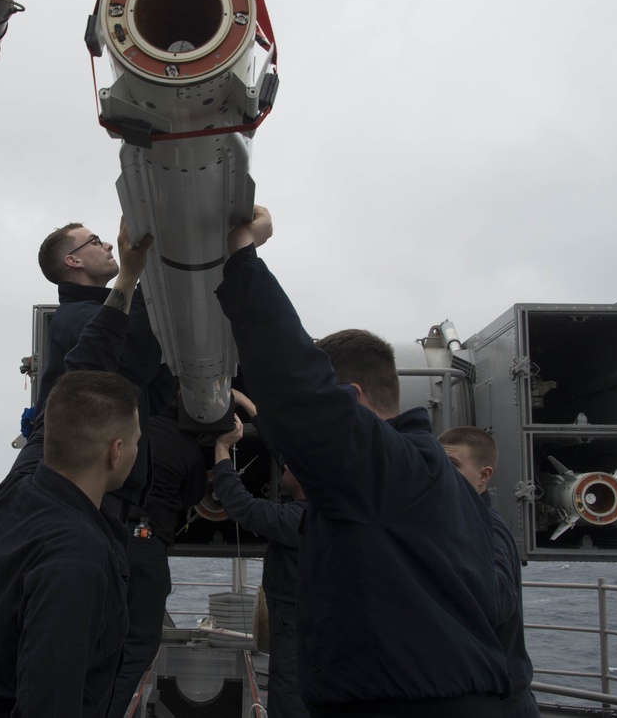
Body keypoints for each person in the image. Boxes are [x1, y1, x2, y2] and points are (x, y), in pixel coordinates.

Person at [214, 206, 510, 717]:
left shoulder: (389, 474)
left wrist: (242, 254)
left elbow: (296, 387)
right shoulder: (433, 481)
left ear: (349, 401)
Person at [0, 226, 153, 717]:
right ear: (114, 452)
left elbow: (82, 370)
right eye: (136, 442)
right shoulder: (76, 558)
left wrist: (128, 277)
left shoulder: (18, 490)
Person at [33, 218, 173, 519]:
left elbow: (154, 396)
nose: (109, 244)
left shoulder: (93, 314)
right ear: (73, 260)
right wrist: (149, 274)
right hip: (89, 496)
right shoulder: (74, 318)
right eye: (95, 241)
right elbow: (129, 359)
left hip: (111, 496)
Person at [106, 398, 208, 718]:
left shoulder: (141, 430)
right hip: (148, 548)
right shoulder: (189, 448)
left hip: (111, 540)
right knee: (138, 648)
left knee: (105, 643)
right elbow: (194, 496)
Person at [212, 391, 308, 718]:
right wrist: (247, 405)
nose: (284, 463)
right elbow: (284, 452)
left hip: (297, 625)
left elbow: (242, 507)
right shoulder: (319, 505)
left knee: (289, 693)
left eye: (291, 465)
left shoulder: (299, 520)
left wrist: (222, 450)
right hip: (298, 618)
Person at [439, 426, 541, 718]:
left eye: (452, 465)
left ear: (484, 476)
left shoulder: (489, 530)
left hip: (500, 703)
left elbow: (498, 601)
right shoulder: (457, 524)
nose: (439, 472)